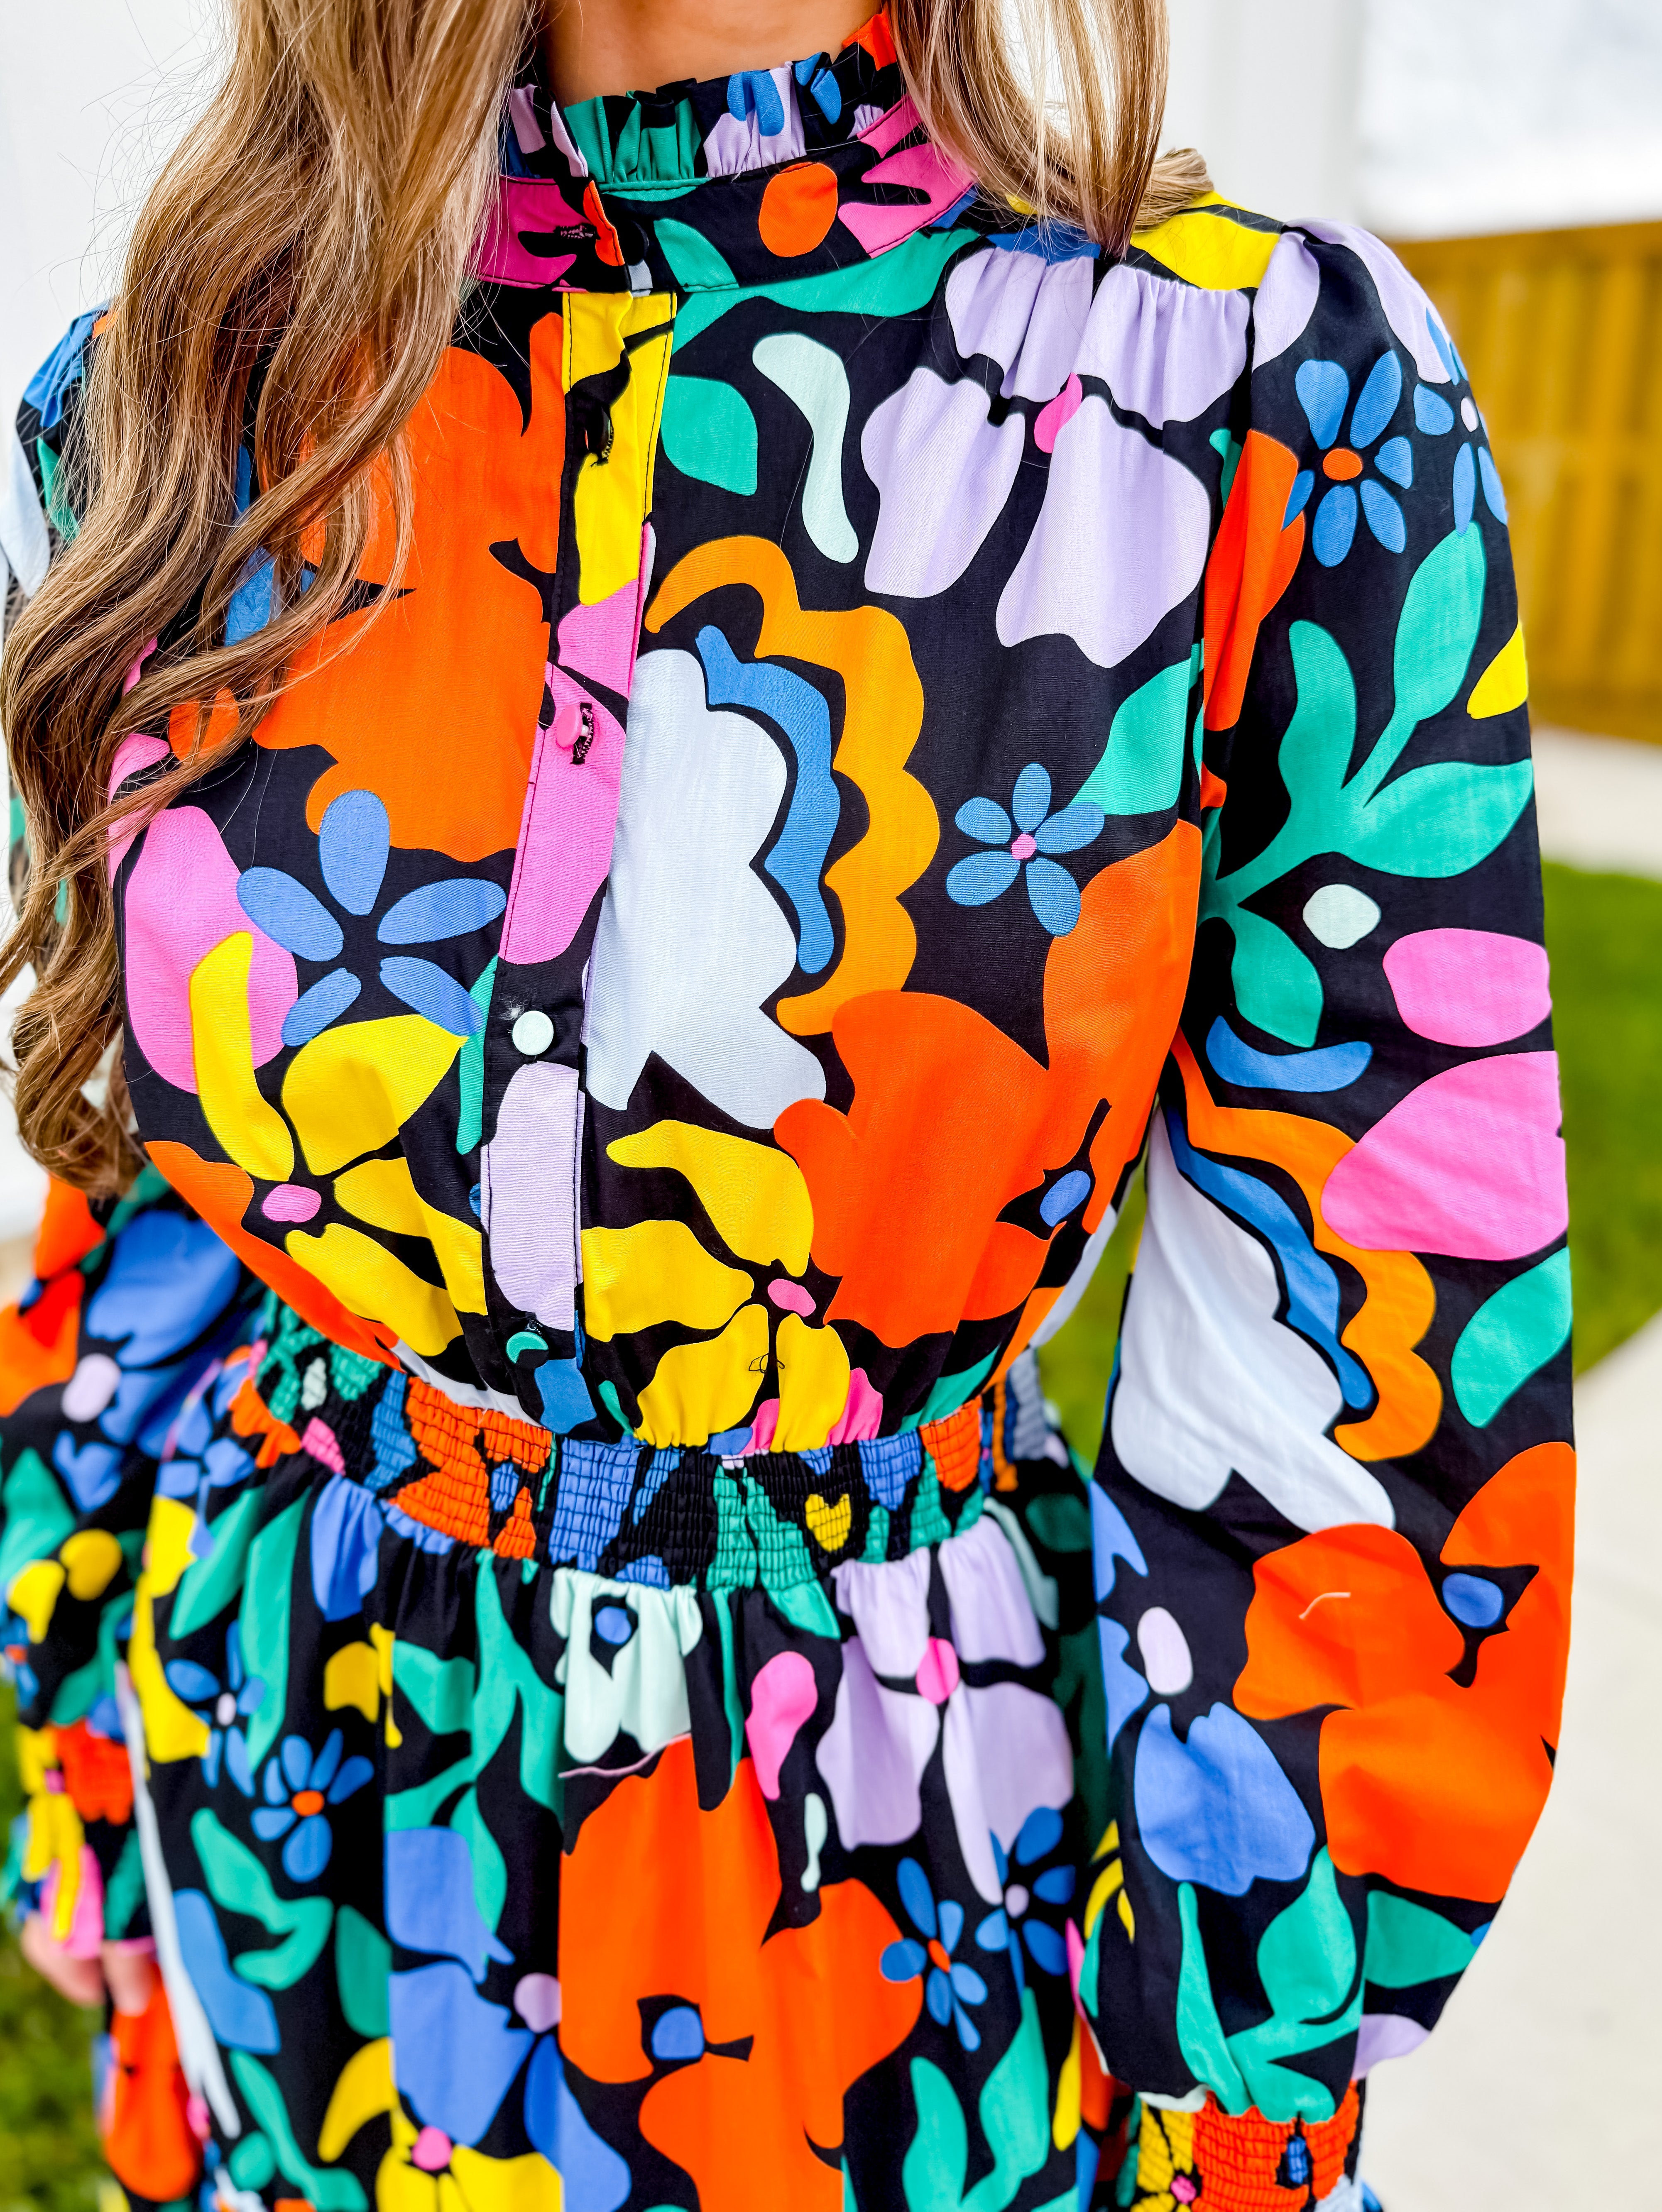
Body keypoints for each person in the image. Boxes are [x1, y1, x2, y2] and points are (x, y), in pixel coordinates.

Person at [0, 0, 1574, 2204]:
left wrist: (1251, 2030)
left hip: (890, 1872)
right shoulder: (168, 397)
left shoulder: (1251, 395)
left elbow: (1370, 1327)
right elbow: (150, 1167)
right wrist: (77, 1726)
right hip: (284, 1794)